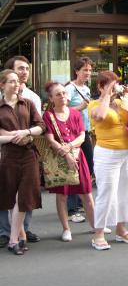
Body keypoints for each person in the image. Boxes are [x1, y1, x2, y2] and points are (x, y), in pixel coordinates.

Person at [88, 71, 128, 250]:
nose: (115, 87)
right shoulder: (94, 104)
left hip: (127, 152)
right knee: (106, 193)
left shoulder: (120, 103)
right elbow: (100, 116)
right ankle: (99, 234)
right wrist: (107, 95)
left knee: (125, 192)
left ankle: (121, 229)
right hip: (106, 153)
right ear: (100, 87)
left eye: (115, 83)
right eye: (110, 84)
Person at [0, 69, 45, 255]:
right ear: (2, 85)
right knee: (11, 197)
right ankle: (19, 236)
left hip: (28, 155)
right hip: (8, 156)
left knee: (23, 197)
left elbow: (41, 126)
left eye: (17, 81)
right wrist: (13, 137)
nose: (16, 84)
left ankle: (13, 240)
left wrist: (26, 133)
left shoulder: (27, 103)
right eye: (11, 81)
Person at [43, 82, 95, 242]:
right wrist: (66, 154)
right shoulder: (48, 116)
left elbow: (82, 135)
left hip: (78, 156)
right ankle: (66, 228)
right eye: (58, 94)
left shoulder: (74, 113)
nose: (63, 96)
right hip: (60, 159)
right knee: (62, 195)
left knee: (86, 193)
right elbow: (50, 139)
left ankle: (95, 225)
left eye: (64, 93)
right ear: (51, 98)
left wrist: (70, 146)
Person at [65, 57, 94, 224]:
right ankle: (72, 208)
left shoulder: (86, 88)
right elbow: (63, 110)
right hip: (73, 134)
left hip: (85, 132)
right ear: (77, 71)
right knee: (74, 169)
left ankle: (78, 202)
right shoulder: (69, 88)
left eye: (89, 70)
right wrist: (80, 108)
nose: (88, 73)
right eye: (85, 70)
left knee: (88, 166)